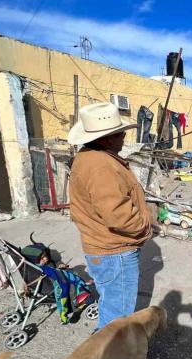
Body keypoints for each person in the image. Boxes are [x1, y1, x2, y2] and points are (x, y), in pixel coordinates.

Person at [68, 103, 152, 331]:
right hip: (115, 252)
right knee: (117, 320)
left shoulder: (91, 158)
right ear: (105, 138)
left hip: (104, 249)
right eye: (119, 133)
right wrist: (145, 226)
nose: (124, 136)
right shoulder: (101, 166)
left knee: (112, 307)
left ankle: (104, 358)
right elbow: (119, 216)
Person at [21, 244, 94, 325]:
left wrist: (60, 265)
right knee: (75, 286)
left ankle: (85, 287)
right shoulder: (43, 269)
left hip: (60, 275)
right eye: (42, 258)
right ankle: (79, 307)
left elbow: (56, 265)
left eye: (45, 256)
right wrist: (63, 315)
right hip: (59, 282)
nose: (45, 258)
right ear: (34, 260)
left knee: (74, 274)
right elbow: (62, 289)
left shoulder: (38, 267)